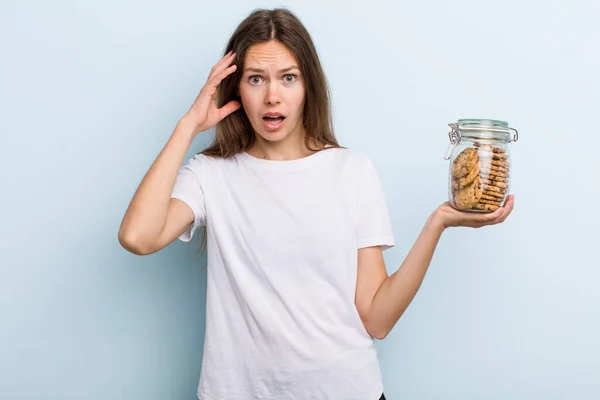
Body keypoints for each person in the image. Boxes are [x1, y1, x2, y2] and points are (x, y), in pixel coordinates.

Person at [118, 7, 514, 400]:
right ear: (236, 88)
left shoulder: (351, 170)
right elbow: (138, 237)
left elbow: (377, 319)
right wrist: (187, 126)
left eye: (288, 78)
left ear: (308, 86)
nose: (272, 97)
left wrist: (437, 223)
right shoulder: (210, 174)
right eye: (256, 79)